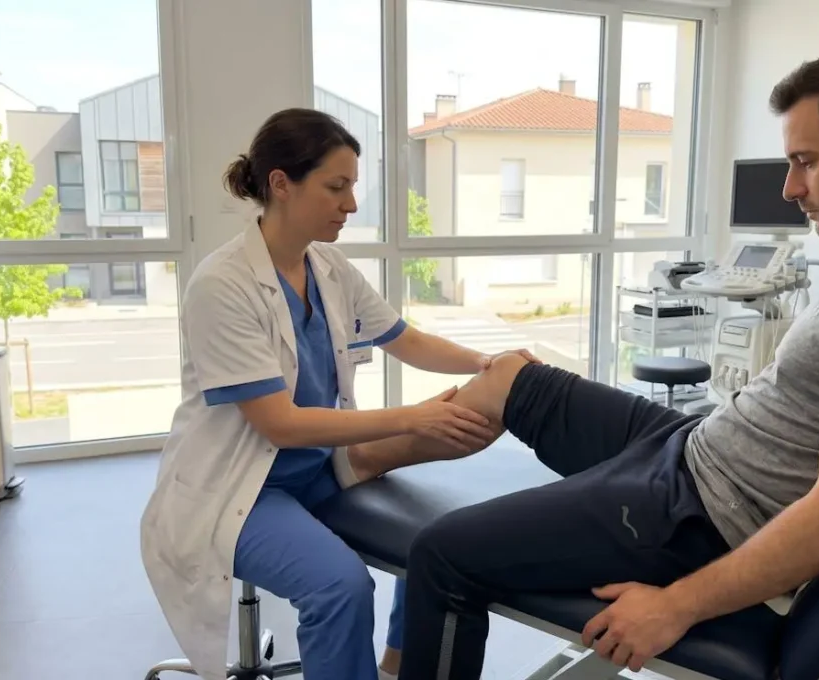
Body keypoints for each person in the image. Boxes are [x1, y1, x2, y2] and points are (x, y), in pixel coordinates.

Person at [384, 37, 819, 678]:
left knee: (440, 556)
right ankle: (355, 461)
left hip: (698, 514)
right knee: (514, 375)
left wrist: (676, 605)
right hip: (696, 448)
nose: (790, 187)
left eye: (805, 162)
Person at [139, 108, 538, 680]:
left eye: (352, 186)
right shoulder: (221, 286)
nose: (351, 204)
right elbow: (281, 425)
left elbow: (406, 339)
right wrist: (411, 420)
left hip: (318, 471)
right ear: (281, 183)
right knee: (340, 584)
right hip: (243, 489)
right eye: (336, 186)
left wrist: (487, 363)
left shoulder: (327, 265)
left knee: (436, 542)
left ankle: (398, 666)